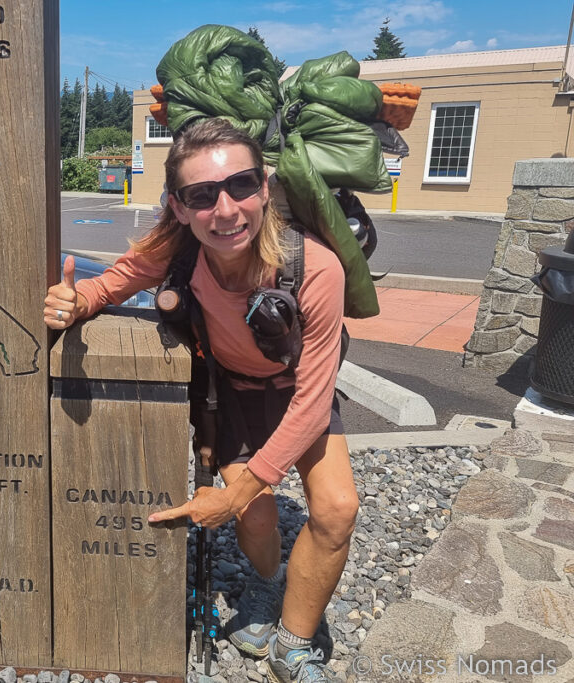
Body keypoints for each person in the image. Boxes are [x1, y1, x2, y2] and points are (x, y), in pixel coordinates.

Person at [44, 118, 358, 683]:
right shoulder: (178, 249)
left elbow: (313, 401)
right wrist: (72, 300)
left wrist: (232, 490)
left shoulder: (315, 267)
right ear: (180, 206)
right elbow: (108, 284)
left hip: (295, 394)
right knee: (257, 518)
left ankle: (295, 641)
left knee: (336, 510)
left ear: (263, 186)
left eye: (240, 185)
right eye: (202, 195)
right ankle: (266, 589)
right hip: (230, 394)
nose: (226, 209)